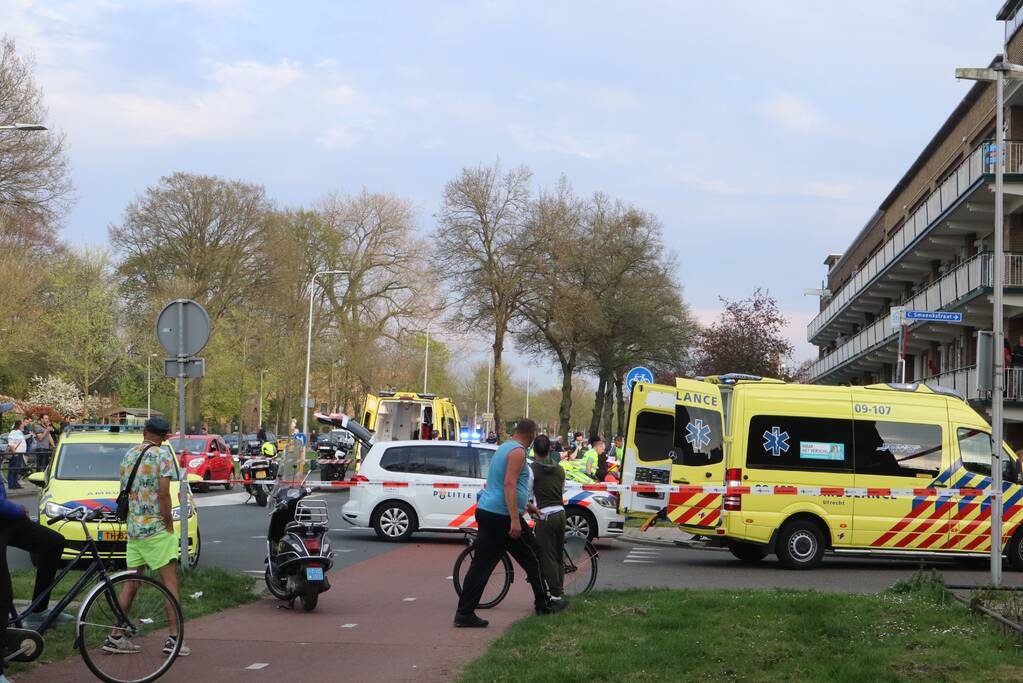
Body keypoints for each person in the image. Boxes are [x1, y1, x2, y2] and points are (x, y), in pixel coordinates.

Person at [454, 418, 564, 627]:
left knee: (482, 565)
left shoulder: (504, 448)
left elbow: (501, 484)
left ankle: (464, 613)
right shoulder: (518, 452)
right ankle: (543, 605)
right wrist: (515, 519)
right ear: (531, 434)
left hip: (490, 511)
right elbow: (509, 484)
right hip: (502, 516)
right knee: (534, 556)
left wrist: (528, 506)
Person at [106, 417, 190, 656]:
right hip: (155, 529)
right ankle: (174, 639)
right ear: (164, 437)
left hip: (134, 530)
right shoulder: (163, 456)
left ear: (144, 432)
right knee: (170, 584)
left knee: (131, 583)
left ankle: (115, 635)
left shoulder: (129, 455)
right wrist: (169, 524)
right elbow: (163, 494)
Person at [0, 465, 65, 683]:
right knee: (2, 594)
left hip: (6, 518)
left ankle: (38, 610)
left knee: (53, 543)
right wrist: (18, 510)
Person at [529, 435, 566, 602]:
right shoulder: (560, 469)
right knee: (558, 555)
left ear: (534, 450)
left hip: (545, 515)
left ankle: (555, 595)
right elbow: (561, 490)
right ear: (550, 449)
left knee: (547, 557)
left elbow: (528, 494)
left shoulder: (532, 469)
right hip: (561, 513)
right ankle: (560, 590)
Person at [6, 421, 26, 490]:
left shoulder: (19, 432)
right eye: (22, 424)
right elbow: (11, 443)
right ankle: (11, 484)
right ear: (19, 425)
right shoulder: (14, 432)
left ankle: (15, 483)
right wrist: (15, 453)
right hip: (16, 453)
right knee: (13, 469)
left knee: (16, 469)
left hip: (19, 453)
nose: (23, 425)